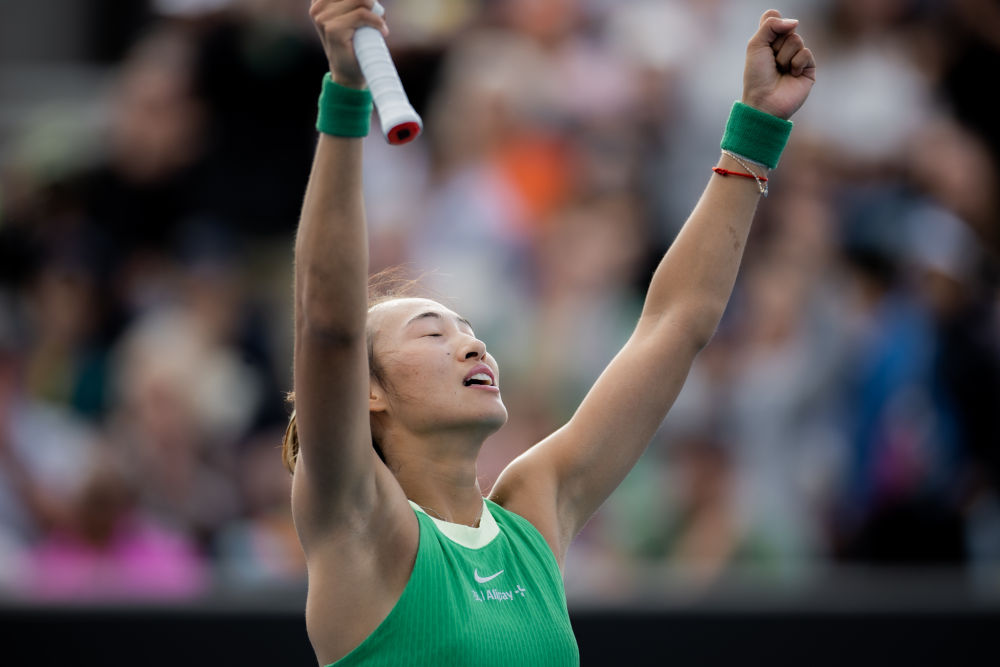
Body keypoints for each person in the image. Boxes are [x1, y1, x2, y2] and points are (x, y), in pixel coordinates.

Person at [286, 1, 815, 665]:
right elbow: (327, 325)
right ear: (369, 391)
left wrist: (756, 128)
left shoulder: (533, 511)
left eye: (468, 330)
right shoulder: (357, 522)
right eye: (431, 334)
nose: (472, 345)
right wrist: (346, 89)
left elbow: (674, 323)